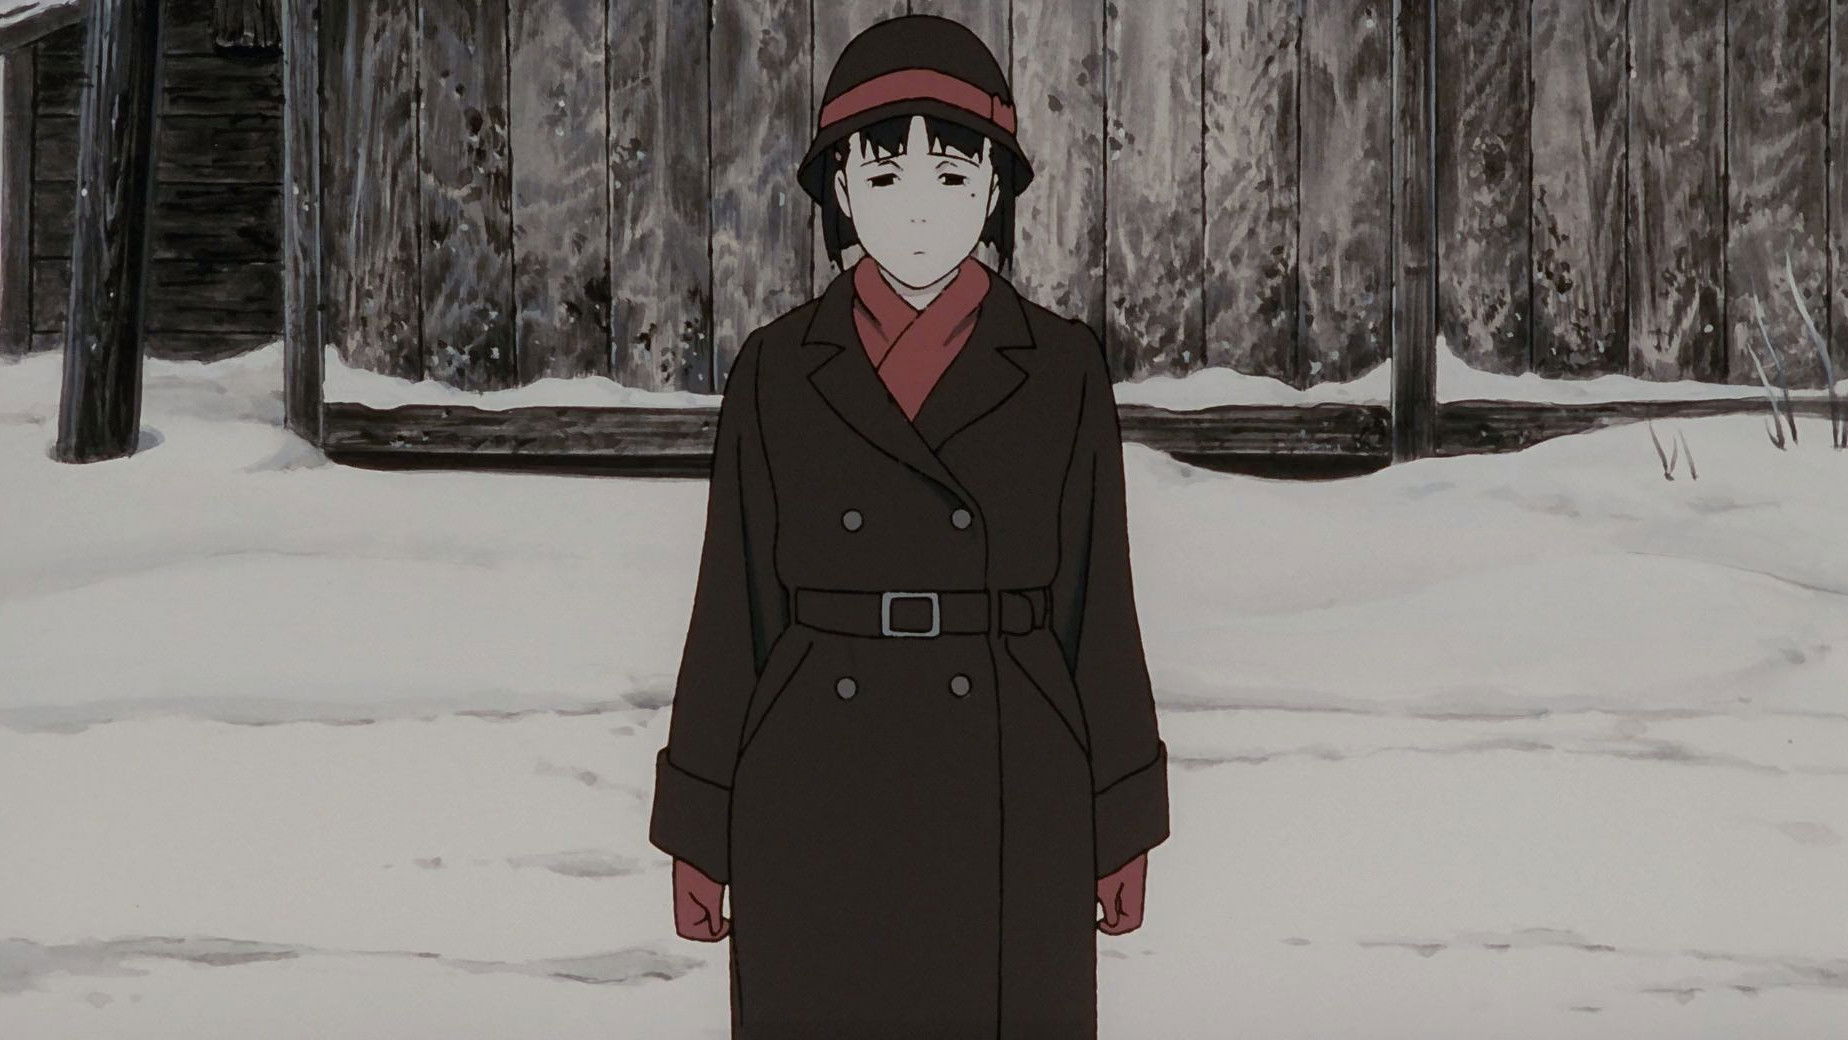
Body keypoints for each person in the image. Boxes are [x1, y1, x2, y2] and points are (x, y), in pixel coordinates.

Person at [648, 14, 1169, 1038]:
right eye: (884, 176)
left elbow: (1098, 606)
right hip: (814, 757)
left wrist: (1122, 815)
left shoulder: (1061, 368)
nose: (919, 208)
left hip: (1012, 757)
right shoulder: (776, 370)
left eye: (951, 174)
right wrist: (700, 825)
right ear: (840, 192)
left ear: (995, 187)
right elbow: (732, 609)